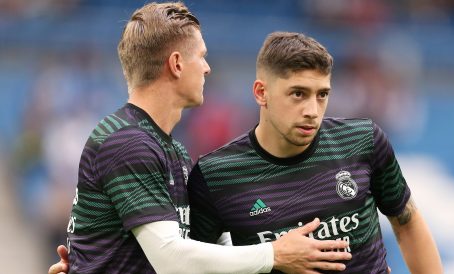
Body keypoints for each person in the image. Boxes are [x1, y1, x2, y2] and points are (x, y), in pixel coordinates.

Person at [48, 2, 353, 274]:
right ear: (177, 64)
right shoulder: (128, 142)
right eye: (203, 57)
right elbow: (171, 259)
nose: (207, 68)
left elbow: (203, 255)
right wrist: (274, 254)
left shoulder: (171, 148)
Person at [187, 31, 443, 273]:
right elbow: (194, 264)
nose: (312, 110)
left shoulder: (362, 140)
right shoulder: (215, 175)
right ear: (261, 93)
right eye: (298, 94)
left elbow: (407, 222)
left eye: (322, 95)